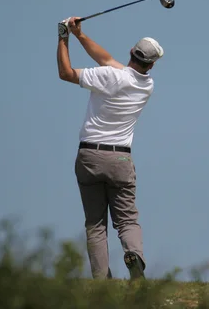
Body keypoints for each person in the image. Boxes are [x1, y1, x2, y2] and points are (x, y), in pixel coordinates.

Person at [56, 16, 164, 280]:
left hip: (89, 156)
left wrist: (63, 37)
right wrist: (81, 35)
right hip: (121, 161)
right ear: (151, 64)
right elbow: (106, 60)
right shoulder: (147, 86)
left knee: (95, 225)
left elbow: (66, 73)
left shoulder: (107, 76)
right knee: (127, 220)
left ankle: (102, 282)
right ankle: (134, 255)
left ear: (131, 52)